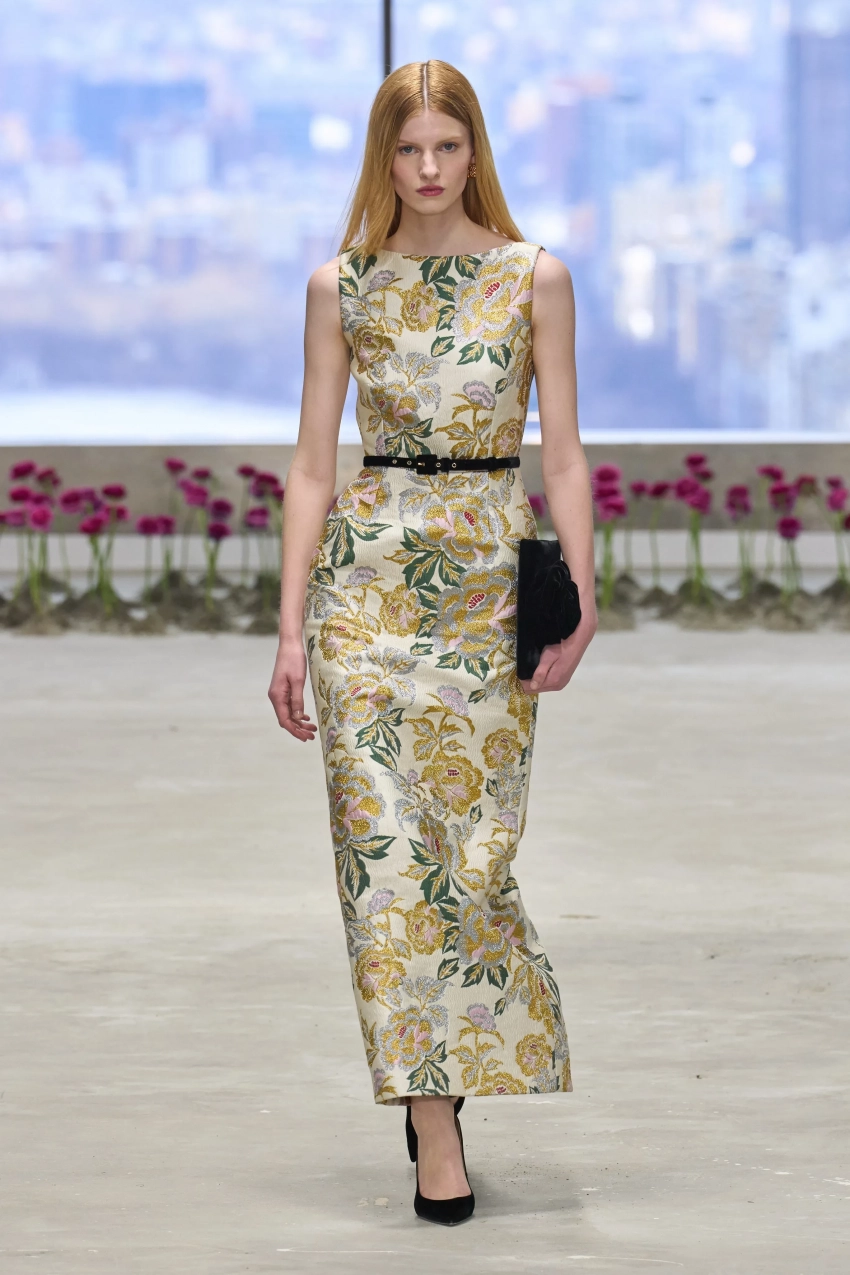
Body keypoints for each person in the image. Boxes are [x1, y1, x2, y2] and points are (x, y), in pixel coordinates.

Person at [268, 59, 597, 1225]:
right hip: (365, 593)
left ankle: (450, 1079)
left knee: (468, 858)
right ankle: (433, 1117)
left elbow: (563, 453)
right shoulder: (342, 286)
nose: (424, 169)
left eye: (444, 148)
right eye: (405, 150)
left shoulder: (533, 276)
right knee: (382, 860)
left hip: (485, 591)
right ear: (382, 156)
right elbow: (312, 467)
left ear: (474, 151)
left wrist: (583, 596)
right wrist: (291, 628)